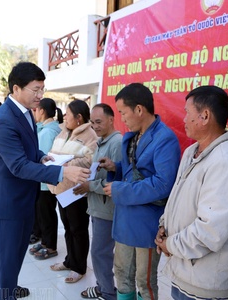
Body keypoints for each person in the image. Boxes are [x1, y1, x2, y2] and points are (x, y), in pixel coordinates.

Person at [0, 62, 90, 300]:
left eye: (42, 89)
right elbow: (18, 165)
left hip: (22, 200)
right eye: (35, 89)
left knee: (15, 257)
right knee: (7, 260)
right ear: (17, 88)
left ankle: (7, 286)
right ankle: (5, 292)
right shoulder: (3, 120)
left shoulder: (24, 113)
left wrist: (41, 156)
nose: (40, 96)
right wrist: (63, 173)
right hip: (6, 204)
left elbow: (26, 149)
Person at [154, 86, 228, 300]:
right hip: (183, 272)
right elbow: (177, 198)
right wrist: (164, 225)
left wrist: (170, 244)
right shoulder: (191, 151)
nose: (184, 118)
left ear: (205, 116)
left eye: (188, 112)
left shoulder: (226, 163)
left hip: (206, 286)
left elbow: (210, 231)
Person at [99, 83, 181, 300]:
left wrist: (121, 190)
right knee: (122, 274)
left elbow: (164, 184)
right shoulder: (132, 136)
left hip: (147, 222)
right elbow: (132, 172)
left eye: (123, 113)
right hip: (126, 218)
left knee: (144, 282)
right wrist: (115, 167)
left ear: (139, 109)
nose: (121, 119)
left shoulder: (165, 138)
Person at [75, 103, 122, 300]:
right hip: (96, 205)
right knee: (99, 252)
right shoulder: (102, 141)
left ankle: (107, 292)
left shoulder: (117, 143)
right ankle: (103, 287)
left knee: (100, 253)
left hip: (107, 208)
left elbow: (118, 180)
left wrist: (90, 186)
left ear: (112, 119)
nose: (94, 126)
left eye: (99, 122)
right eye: (92, 122)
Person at [48, 99, 98, 284]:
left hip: (76, 191)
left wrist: (69, 164)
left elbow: (90, 160)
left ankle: (79, 267)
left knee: (78, 229)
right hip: (60, 189)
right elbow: (53, 152)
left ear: (78, 117)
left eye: (68, 114)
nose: (65, 117)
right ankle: (69, 260)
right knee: (68, 228)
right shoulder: (63, 132)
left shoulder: (90, 135)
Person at [27, 98, 63, 259]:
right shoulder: (46, 128)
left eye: (36, 110)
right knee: (43, 213)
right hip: (42, 179)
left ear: (42, 111)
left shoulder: (49, 131)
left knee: (47, 214)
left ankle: (50, 246)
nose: (34, 113)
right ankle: (44, 242)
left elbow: (47, 157)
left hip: (45, 181)